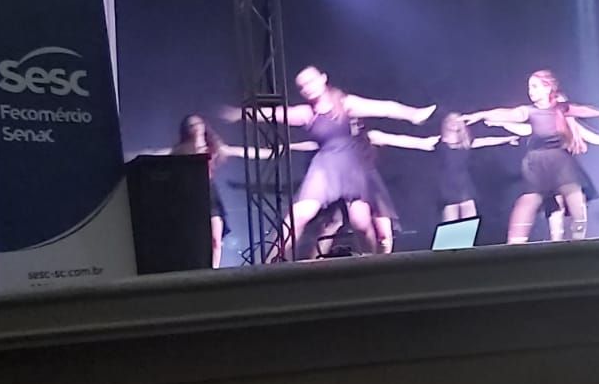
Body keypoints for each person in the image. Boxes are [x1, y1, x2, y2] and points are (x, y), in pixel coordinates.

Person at [244, 65, 435, 257]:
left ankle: (373, 263)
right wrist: (240, 114)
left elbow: (385, 109)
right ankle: (272, 262)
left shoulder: (346, 106)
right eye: (302, 86)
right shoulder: (308, 113)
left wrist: (413, 116)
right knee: (305, 217)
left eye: (310, 81)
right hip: (327, 168)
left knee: (368, 227)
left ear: (323, 78)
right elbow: (276, 115)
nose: (307, 88)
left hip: (356, 172)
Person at [468, 69, 599, 243]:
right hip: (537, 165)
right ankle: (546, 242)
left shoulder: (563, 114)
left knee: (574, 198)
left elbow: (585, 118)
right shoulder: (530, 112)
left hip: (560, 165)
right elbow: (514, 118)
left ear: (548, 88)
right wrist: (486, 116)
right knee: (545, 206)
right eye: (529, 87)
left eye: (535, 86)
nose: (530, 91)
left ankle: (577, 242)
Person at [372, 114, 519, 223]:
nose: (454, 122)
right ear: (446, 123)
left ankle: (468, 251)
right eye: (451, 120)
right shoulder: (439, 142)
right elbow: (413, 142)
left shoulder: (467, 143)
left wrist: (508, 139)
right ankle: (450, 252)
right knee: (450, 225)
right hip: (447, 187)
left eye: (457, 120)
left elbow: (488, 141)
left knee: (470, 223)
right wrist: (386, 139)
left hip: (465, 186)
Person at [172, 114, 230, 268]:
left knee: (216, 238)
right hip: (192, 194)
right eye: (191, 125)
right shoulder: (181, 150)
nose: (196, 127)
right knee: (196, 239)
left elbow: (240, 151)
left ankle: (215, 270)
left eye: (198, 123)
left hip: (210, 193)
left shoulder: (214, 147)